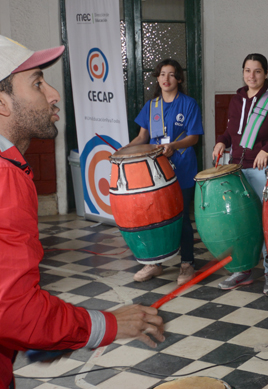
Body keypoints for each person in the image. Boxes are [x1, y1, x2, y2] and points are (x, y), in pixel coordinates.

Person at [0, 35, 164, 389]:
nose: (54, 94)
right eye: (37, 82)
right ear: (2, 103)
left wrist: (47, 337)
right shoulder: (5, 177)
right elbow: (13, 310)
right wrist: (107, 324)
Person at [213, 53, 268, 293]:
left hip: (262, 170)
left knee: (266, 223)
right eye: (247, 70)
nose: (252, 75)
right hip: (237, 170)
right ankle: (243, 270)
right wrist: (221, 142)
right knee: (241, 223)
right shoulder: (236, 100)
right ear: (242, 73)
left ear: (266, 74)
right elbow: (231, 133)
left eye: (257, 71)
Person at [127, 59, 204, 285]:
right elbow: (143, 137)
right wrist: (123, 149)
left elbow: (194, 137)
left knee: (180, 218)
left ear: (179, 79)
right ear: (157, 78)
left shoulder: (189, 104)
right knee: (154, 217)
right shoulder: (152, 106)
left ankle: (187, 264)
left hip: (182, 167)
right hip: (154, 170)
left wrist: (174, 147)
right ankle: (155, 263)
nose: (166, 79)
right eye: (162, 74)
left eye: (171, 75)